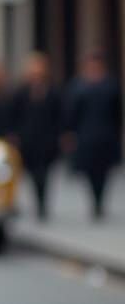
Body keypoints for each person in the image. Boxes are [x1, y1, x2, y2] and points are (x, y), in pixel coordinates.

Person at [62, 50, 123, 220]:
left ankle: (100, 203)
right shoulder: (78, 87)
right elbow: (71, 113)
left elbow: (117, 113)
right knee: (89, 172)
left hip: (106, 136)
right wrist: (69, 133)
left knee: (104, 173)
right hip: (86, 136)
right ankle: (95, 202)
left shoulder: (110, 86)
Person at [7, 52, 61, 220]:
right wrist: (14, 134)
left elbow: (59, 114)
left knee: (45, 174)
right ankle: (38, 203)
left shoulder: (52, 91)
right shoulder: (21, 92)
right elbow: (14, 114)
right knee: (33, 174)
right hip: (28, 140)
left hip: (47, 140)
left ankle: (42, 205)